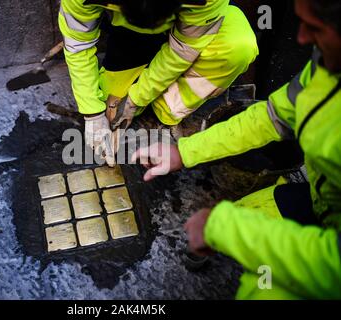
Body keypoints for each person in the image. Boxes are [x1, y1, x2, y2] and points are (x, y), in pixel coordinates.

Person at [132, 0, 341, 299]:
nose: (303, 37)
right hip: (322, 202)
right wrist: (184, 151)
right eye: (302, 22)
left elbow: (332, 262)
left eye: (316, 27)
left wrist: (223, 228)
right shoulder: (326, 69)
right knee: (241, 213)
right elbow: (271, 118)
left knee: (263, 290)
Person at [58, 0, 258, 163]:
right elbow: (78, 45)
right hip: (129, 37)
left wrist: (136, 99)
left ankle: (164, 112)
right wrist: (92, 112)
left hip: (197, 32)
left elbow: (182, 51)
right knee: (110, 112)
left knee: (237, 47)